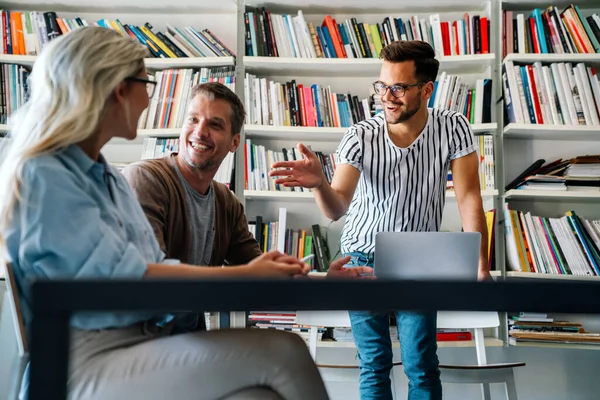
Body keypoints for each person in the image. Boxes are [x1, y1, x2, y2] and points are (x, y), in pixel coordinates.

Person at [0, 26, 368, 400]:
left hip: (142, 345)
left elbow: (169, 275)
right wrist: (245, 277)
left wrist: (316, 283)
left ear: (234, 141)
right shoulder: (49, 174)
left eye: (215, 124)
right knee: (285, 352)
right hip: (80, 365)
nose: (149, 99)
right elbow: (134, 284)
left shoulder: (105, 178)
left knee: (258, 395)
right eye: (147, 83)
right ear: (117, 88)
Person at [270, 40, 490, 400]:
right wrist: (319, 184)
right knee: (374, 363)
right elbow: (336, 206)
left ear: (427, 90)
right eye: (382, 86)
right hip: (361, 260)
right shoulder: (361, 134)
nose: (387, 96)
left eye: (399, 87)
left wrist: (480, 265)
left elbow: (468, 196)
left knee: (421, 363)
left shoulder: (453, 127)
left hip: (419, 260)